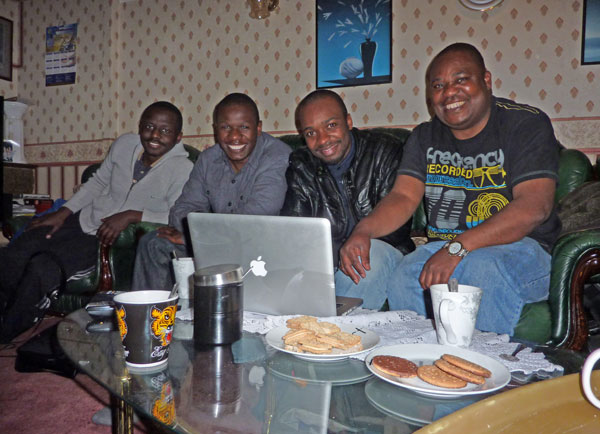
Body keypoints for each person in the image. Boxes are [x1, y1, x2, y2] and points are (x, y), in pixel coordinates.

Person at [339, 42, 561, 336]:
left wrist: (457, 247)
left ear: (486, 80)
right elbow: (403, 197)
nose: (449, 92)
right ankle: (419, 365)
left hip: (523, 249)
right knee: (407, 274)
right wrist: (363, 231)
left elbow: (534, 206)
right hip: (447, 246)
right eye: (438, 85)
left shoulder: (525, 124)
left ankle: (482, 370)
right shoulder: (425, 136)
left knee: (482, 269)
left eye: (460, 80)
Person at [0, 101, 194, 342]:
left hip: (105, 241)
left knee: (43, 269)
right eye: (149, 126)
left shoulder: (184, 168)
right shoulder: (125, 144)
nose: (154, 135)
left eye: (165, 131)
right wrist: (64, 212)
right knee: (16, 253)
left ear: (178, 137)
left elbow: (177, 213)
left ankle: (6, 334)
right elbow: (98, 182)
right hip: (83, 219)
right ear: (140, 126)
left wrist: (133, 215)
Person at [132, 93, 292, 291]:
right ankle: (155, 317)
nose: (234, 136)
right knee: (154, 244)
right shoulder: (208, 159)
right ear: (216, 130)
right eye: (226, 127)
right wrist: (198, 237)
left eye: (244, 127)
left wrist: (196, 238)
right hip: (216, 243)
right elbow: (183, 208)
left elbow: (254, 219)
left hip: (261, 249)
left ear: (258, 128)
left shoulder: (278, 156)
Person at [280, 90, 414, 309]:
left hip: (383, 253)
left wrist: (351, 244)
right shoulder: (302, 164)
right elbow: (295, 231)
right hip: (325, 265)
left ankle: (328, 332)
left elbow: (396, 230)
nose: (323, 139)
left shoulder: (384, 151)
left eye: (331, 125)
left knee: (366, 255)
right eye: (311, 133)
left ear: (348, 121)